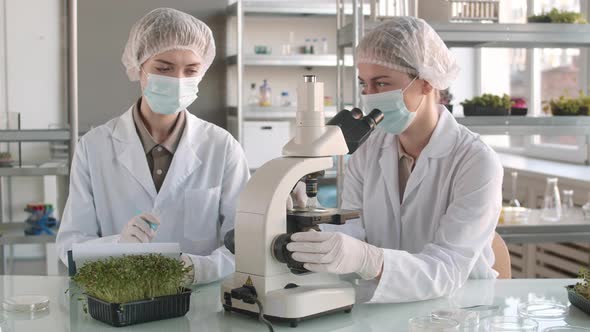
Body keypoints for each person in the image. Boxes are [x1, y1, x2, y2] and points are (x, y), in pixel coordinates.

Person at [286, 17, 503, 303]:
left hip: (457, 307)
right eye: (364, 84)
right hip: (379, 304)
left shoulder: (476, 161)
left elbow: (448, 268)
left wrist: (371, 261)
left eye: (382, 83)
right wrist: (309, 222)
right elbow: (353, 226)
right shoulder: (368, 148)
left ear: (426, 82)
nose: (369, 97)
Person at [56, 8, 249, 285]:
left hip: (200, 305)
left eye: (191, 70)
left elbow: (244, 242)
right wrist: (117, 246)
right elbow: (69, 246)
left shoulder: (222, 147)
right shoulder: (94, 147)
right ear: (138, 67)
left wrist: (196, 270)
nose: (178, 80)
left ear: (202, 71)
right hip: (121, 302)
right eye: (163, 68)